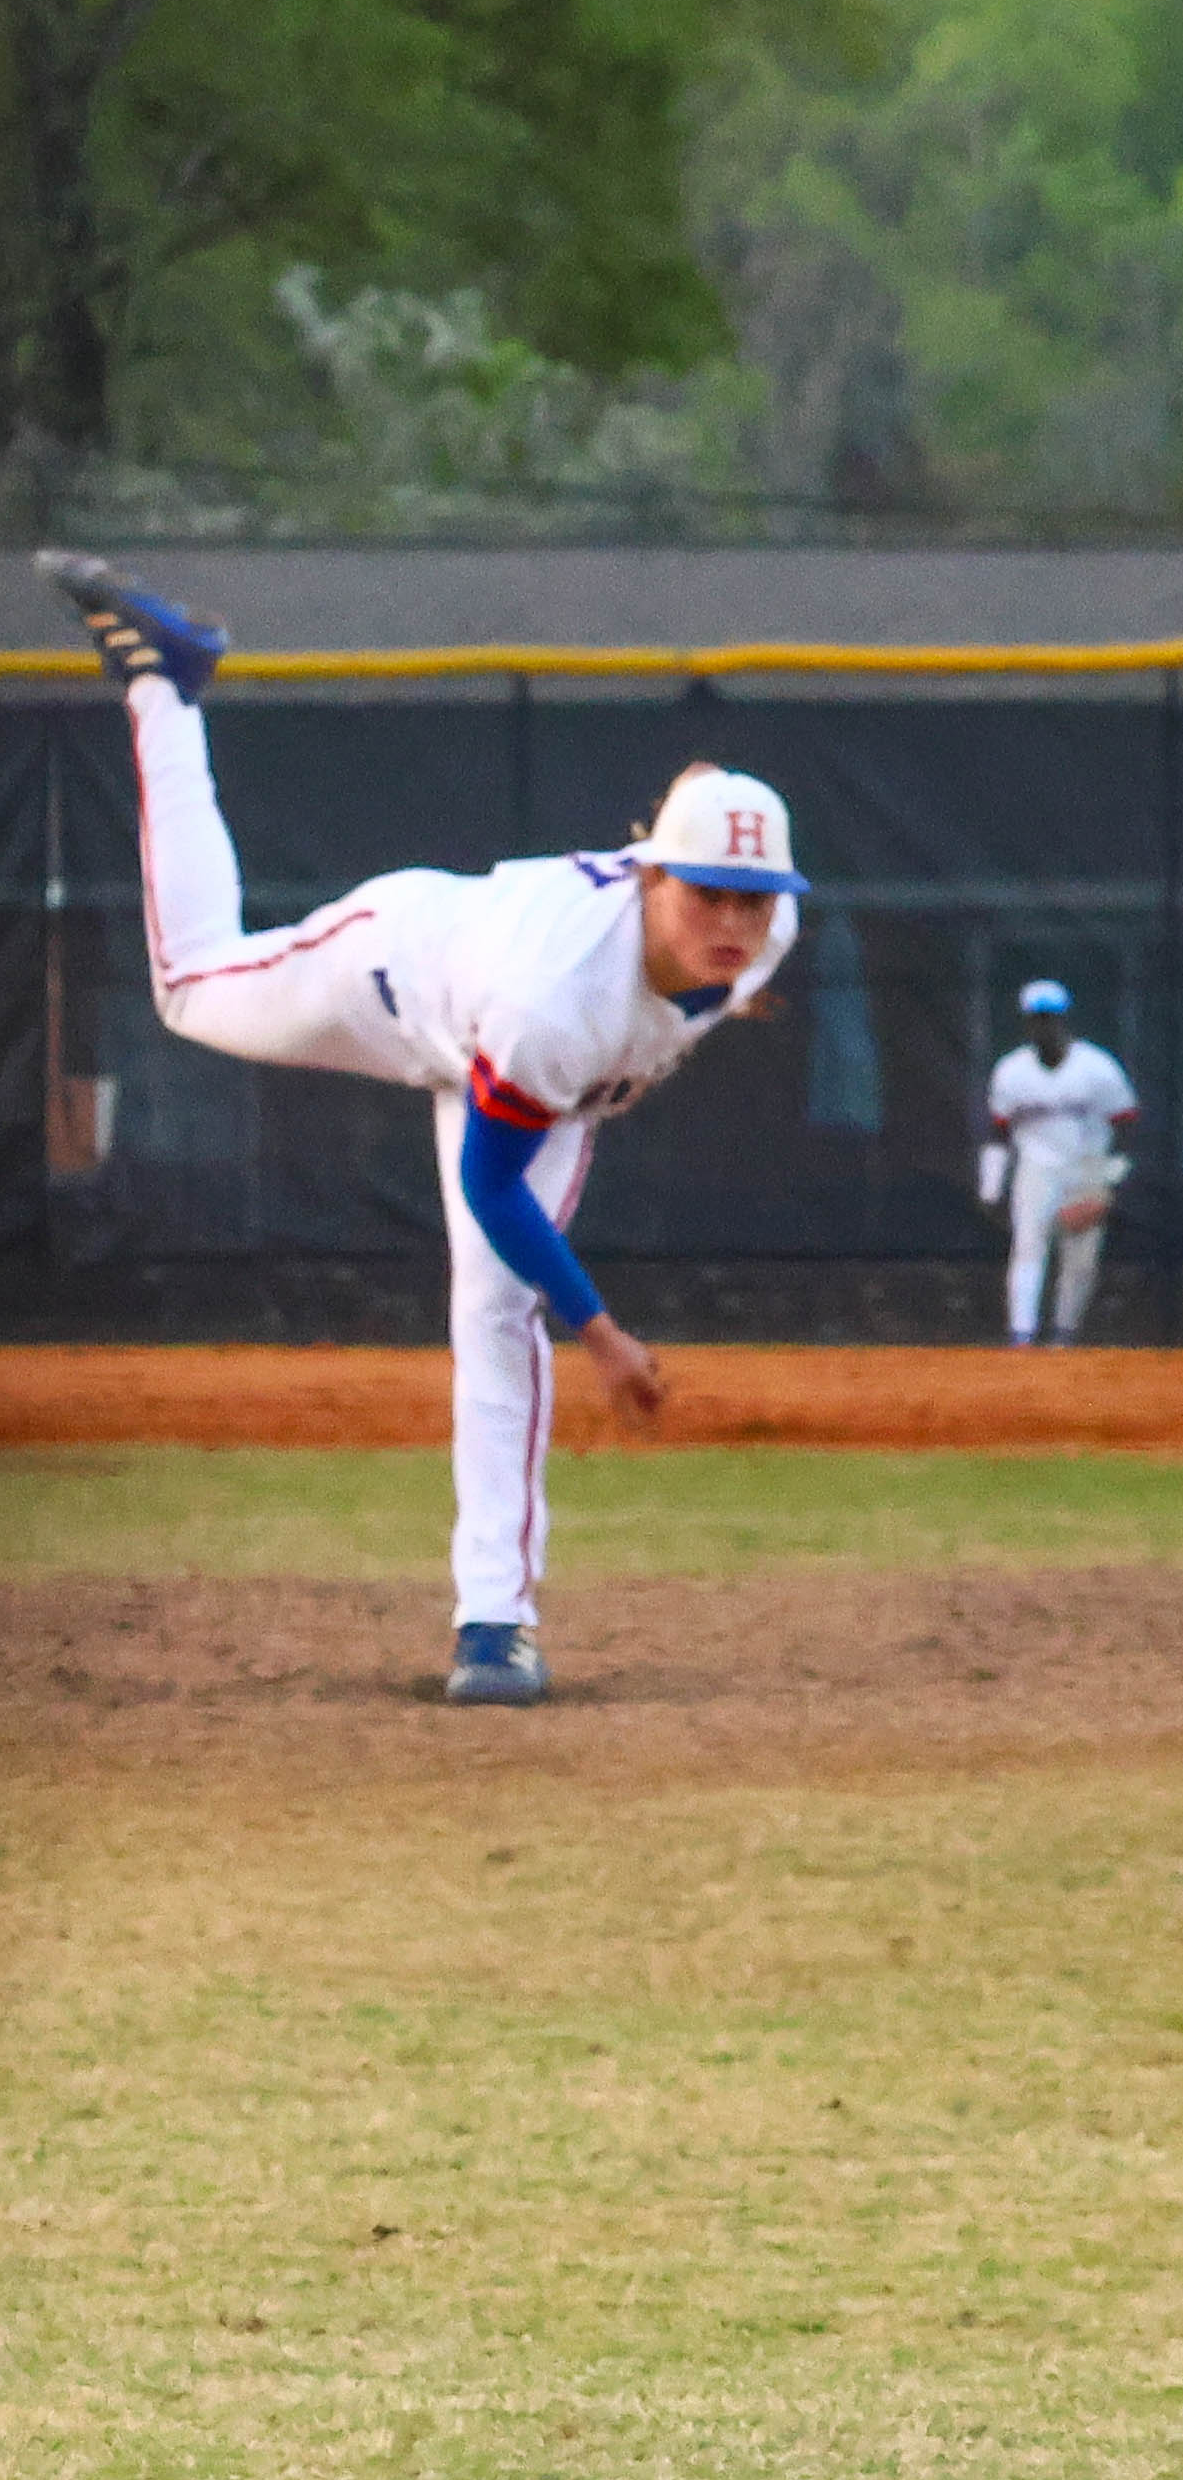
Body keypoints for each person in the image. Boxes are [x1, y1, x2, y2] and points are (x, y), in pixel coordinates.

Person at [42, 552, 808, 1708]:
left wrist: (703, 803)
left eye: (753, 899)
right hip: (402, 973)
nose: (735, 921)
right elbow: (498, 1190)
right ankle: (168, 688)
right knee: (189, 988)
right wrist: (602, 1333)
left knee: (494, 1310)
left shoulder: (765, 933)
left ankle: (494, 1626)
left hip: (531, 1078)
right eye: (705, 892)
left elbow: (714, 823)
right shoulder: (562, 995)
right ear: (651, 878)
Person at [982, 979, 1133, 1349]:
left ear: (1064, 1020)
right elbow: (999, 1132)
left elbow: (1126, 1124)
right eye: (1036, 1019)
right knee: (1028, 1247)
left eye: (1049, 1018)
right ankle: (1022, 1335)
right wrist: (990, 1190)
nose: (1042, 1026)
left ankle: (1064, 1338)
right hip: (1036, 1170)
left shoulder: (1098, 1067)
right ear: (1026, 1023)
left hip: (1088, 1167)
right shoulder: (1011, 1071)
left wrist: (1108, 1187)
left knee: (1079, 1262)